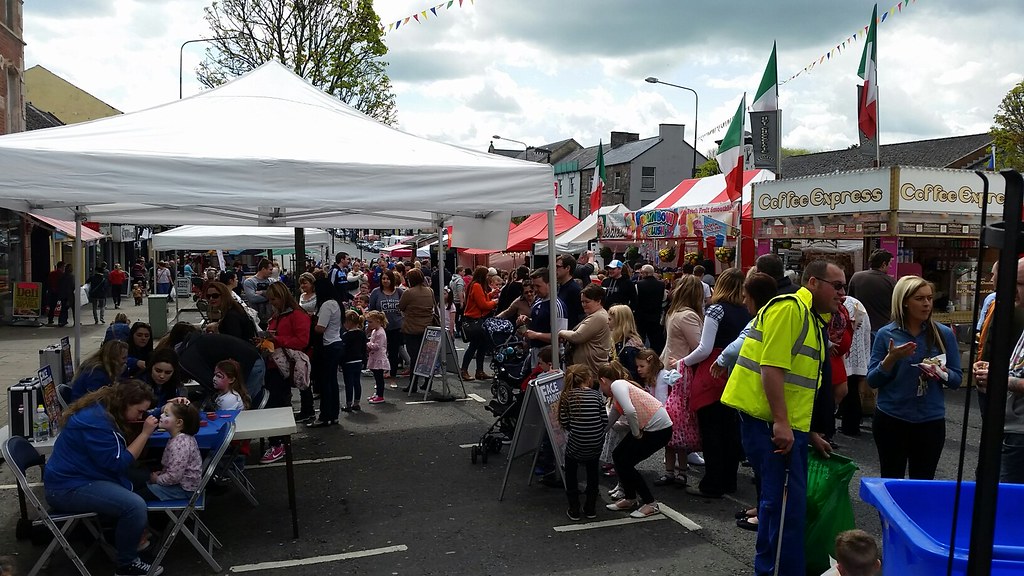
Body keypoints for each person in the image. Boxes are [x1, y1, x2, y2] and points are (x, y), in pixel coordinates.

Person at [721, 260, 844, 576]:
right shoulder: (791, 309)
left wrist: (807, 430)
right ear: (813, 282)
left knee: (786, 508)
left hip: (783, 426)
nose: (843, 293)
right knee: (782, 509)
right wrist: (782, 423)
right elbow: (772, 369)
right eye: (838, 285)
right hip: (771, 425)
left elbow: (800, 382)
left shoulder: (810, 316)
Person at [44, 381, 165, 576]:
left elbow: (115, 460)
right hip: (67, 488)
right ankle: (126, 564)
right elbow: (118, 463)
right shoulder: (97, 423)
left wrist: (160, 411)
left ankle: (125, 536)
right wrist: (144, 434)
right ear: (125, 403)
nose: (141, 416)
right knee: (134, 505)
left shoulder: (105, 408)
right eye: (140, 412)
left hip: (81, 477)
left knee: (143, 477)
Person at [867, 275, 961, 479]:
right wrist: (890, 359)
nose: (927, 304)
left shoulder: (943, 334)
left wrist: (940, 371)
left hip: (930, 420)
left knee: (923, 484)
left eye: (929, 298)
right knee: (892, 481)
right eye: (919, 299)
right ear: (904, 302)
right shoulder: (886, 334)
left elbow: (957, 380)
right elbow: (872, 380)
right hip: (892, 418)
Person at [676, 269, 752, 498]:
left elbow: (704, 348)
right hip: (738, 371)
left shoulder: (716, 309)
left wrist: (680, 363)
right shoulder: (747, 312)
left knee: (711, 430)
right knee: (730, 429)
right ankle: (729, 481)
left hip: (714, 370)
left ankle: (712, 483)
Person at [598, 362, 673, 519]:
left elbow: (630, 411)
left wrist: (636, 433)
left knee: (625, 462)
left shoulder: (618, 385)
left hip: (658, 429)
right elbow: (613, 416)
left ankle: (650, 504)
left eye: (600, 385)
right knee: (618, 456)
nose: (601, 390)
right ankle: (630, 498)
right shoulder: (619, 388)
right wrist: (601, 432)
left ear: (603, 381)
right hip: (652, 428)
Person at [260, 282, 311, 464]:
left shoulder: (297, 315)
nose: (272, 302)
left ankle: (278, 443)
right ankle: (277, 442)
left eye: (274, 298)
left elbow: (302, 341)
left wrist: (276, 339)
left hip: (283, 367)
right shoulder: (279, 315)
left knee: (276, 404)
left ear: (283, 297)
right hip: (274, 364)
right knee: (276, 403)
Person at [557, 364, 608, 521]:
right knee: (593, 473)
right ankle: (590, 507)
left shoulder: (567, 397)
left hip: (576, 443)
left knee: (571, 473)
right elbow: (604, 420)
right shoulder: (597, 396)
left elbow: (565, 422)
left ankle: (574, 508)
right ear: (588, 379)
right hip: (595, 443)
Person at [636, 349, 689, 487]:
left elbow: (676, 383)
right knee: (669, 446)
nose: (638, 369)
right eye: (638, 366)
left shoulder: (664, 376)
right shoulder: (651, 381)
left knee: (680, 446)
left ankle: (682, 472)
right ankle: (669, 473)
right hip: (665, 415)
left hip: (673, 414)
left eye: (642, 366)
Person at [143, 401, 202, 503]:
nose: (161, 415)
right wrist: (163, 473)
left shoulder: (180, 444)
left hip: (183, 489)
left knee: (140, 494)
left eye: (166, 414)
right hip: (180, 484)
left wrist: (157, 480)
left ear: (179, 423)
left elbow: (174, 476)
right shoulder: (181, 438)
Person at [309, 277, 342, 426]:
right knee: (332, 382)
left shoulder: (327, 305)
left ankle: (325, 415)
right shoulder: (336, 303)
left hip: (328, 345)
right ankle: (333, 414)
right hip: (336, 342)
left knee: (325, 383)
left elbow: (320, 328)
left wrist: (312, 323)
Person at [837, 296, 872, 436]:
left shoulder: (844, 303)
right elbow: (866, 328)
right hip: (857, 352)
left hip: (846, 353)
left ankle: (849, 426)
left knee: (848, 391)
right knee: (853, 390)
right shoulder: (857, 302)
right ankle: (852, 424)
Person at [557, 284, 611, 373]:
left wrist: (561, 332)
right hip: (586, 370)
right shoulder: (595, 315)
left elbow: (578, 336)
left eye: (587, 302)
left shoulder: (598, 316)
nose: (584, 305)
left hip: (591, 371)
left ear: (598, 301)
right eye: (582, 302)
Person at [398, 268, 435, 391]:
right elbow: (434, 306)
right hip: (427, 327)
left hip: (412, 328)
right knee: (427, 356)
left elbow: (401, 307)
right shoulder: (430, 291)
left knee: (414, 357)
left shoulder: (409, 293)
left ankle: (412, 384)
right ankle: (427, 382)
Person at [461, 266, 499, 381]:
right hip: (475, 319)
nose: (488, 278)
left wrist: (491, 295)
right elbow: (482, 304)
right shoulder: (477, 286)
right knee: (474, 346)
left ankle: (479, 371)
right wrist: (494, 302)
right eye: (487, 275)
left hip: (476, 319)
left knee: (481, 346)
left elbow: (482, 298)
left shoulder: (475, 285)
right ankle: (464, 370)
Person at [522, 268, 566, 364]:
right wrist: (528, 321)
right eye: (534, 286)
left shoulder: (557, 305)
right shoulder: (538, 301)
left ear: (550, 284)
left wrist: (536, 335)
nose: (535, 290)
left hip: (550, 357)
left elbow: (560, 337)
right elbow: (539, 324)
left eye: (538, 286)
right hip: (536, 353)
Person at [847, 249, 895, 338]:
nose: (890, 266)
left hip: (860, 326)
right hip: (882, 328)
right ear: (883, 264)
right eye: (890, 263)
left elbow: (849, 301)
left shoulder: (856, 277)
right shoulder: (890, 282)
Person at [660, 276, 704, 370]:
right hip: (680, 368)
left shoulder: (674, 312)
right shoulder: (688, 316)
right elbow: (698, 348)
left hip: (670, 363)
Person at [370, 268, 405, 379]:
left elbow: (404, 307)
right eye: (383, 279)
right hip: (381, 328)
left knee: (394, 351)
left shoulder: (399, 292)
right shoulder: (376, 292)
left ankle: (392, 372)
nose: (385, 281)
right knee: (381, 351)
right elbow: (372, 309)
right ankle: (380, 372)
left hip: (396, 326)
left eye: (388, 279)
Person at [635, 264, 668, 354]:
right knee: (656, 341)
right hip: (655, 316)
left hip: (641, 316)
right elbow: (664, 299)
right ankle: (656, 357)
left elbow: (635, 299)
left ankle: (640, 355)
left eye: (641, 273)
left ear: (645, 273)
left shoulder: (638, 285)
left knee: (641, 338)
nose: (640, 275)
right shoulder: (661, 284)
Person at [140, 347, 185, 413]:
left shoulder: (175, 386)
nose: (162, 376)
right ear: (151, 368)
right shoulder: (139, 385)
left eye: (168, 372)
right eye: (158, 371)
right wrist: (161, 410)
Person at [340, 310, 368, 411]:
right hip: (358, 360)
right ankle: (356, 403)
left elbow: (343, 350)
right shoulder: (361, 334)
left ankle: (348, 404)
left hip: (348, 361)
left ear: (348, 322)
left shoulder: (346, 336)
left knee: (349, 383)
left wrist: (340, 362)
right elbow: (363, 348)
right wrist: (364, 360)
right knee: (357, 382)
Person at [608, 304, 644, 381]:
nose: (607, 322)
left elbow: (633, 374)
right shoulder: (618, 341)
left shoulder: (631, 348)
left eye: (610, 319)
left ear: (619, 322)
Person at [366, 310, 390, 404]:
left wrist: (368, 344)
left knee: (379, 378)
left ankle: (380, 395)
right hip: (375, 357)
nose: (369, 324)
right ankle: (377, 394)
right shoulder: (375, 331)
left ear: (378, 321)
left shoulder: (380, 333)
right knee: (376, 377)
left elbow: (377, 346)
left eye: (371, 322)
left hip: (379, 358)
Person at [556, 254, 585, 329]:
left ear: (568, 268)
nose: (554, 269)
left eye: (558, 267)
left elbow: (581, 314)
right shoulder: (558, 287)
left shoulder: (574, 289)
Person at [242, 258, 274, 328]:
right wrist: (271, 297)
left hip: (272, 318)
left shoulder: (272, 281)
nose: (272, 272)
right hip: (257, 320)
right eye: (270, 269)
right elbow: (253, 298)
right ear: (263, 269)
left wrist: (263, 292)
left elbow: (279, 295)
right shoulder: (249, 282)